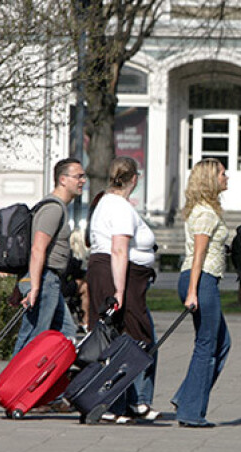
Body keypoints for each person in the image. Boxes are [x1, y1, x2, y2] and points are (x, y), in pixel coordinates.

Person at [86, 156, 159, 423]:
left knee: (116, 339)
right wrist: (118, 291)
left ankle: (122, 402)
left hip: (110, 272)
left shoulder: (106, 202)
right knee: (136, 339)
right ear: (134, 179)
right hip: (117, 276)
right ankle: (124, 401)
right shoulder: (119, 207)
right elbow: (119, 249)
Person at [171, 158, 231, 428]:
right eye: (221, 173)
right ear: (209, 179)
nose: (226, 176)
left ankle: (186, 396)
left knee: (222, 342)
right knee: (206, 345)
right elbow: (199, 255)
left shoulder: (205, 210)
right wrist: (193, 291)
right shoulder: (206, 213)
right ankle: (191, 412)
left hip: (203, 280)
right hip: (201, 280)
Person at [14, 158, 85, 354]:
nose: (83, 181)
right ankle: (12, 383)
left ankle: (52, 383)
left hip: (48, 280)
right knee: (32, 338)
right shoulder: (53, 208)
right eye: (78, 176)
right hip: (44, 280)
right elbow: (37, 248)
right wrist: (34, 287)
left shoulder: (58, 207)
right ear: (63, 179)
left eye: (83, 176)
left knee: (67, 333)